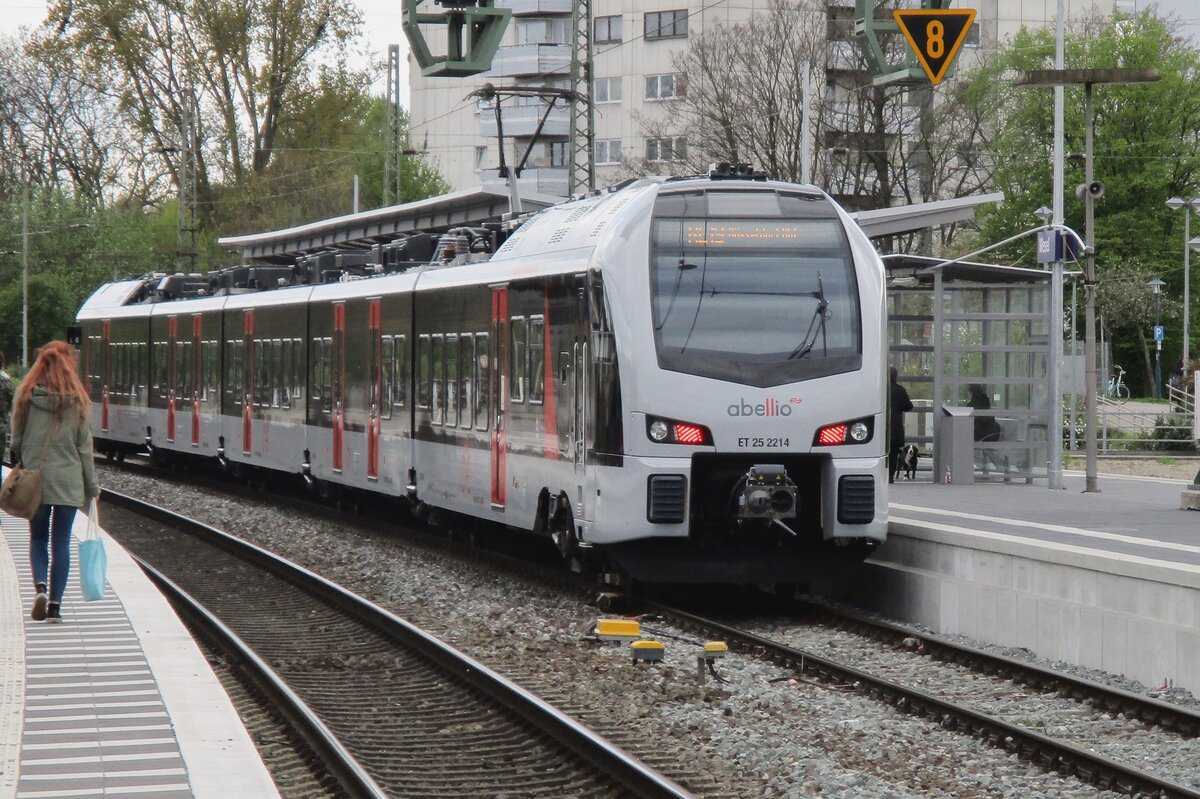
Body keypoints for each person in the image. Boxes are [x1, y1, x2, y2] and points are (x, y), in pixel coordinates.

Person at [10, 341, 100, 624]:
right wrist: (93, 487)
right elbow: (84, 449)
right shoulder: (78, 402)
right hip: (68, 481)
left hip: (35, 482)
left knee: (38, 538)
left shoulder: (26, 397)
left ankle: (39, 587)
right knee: (61, 541)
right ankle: (55, 607)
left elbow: (17, 442)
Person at [966, 383, 1006, 475]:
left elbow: (975, 423)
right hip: (993, 433)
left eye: (968, 392)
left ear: (972, 392)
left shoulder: (973, 405)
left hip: (984, 435)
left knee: (966, 443)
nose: (967, 394)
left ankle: (986, 466)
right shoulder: (985, 402)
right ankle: (998, 465)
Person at [888, 366, 913, 484]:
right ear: (895, 376)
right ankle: (890, 475)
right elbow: (908, 406)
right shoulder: (900, 390)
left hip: (880, 424)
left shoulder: (879, 388)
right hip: (895, 425)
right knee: (893, 451)